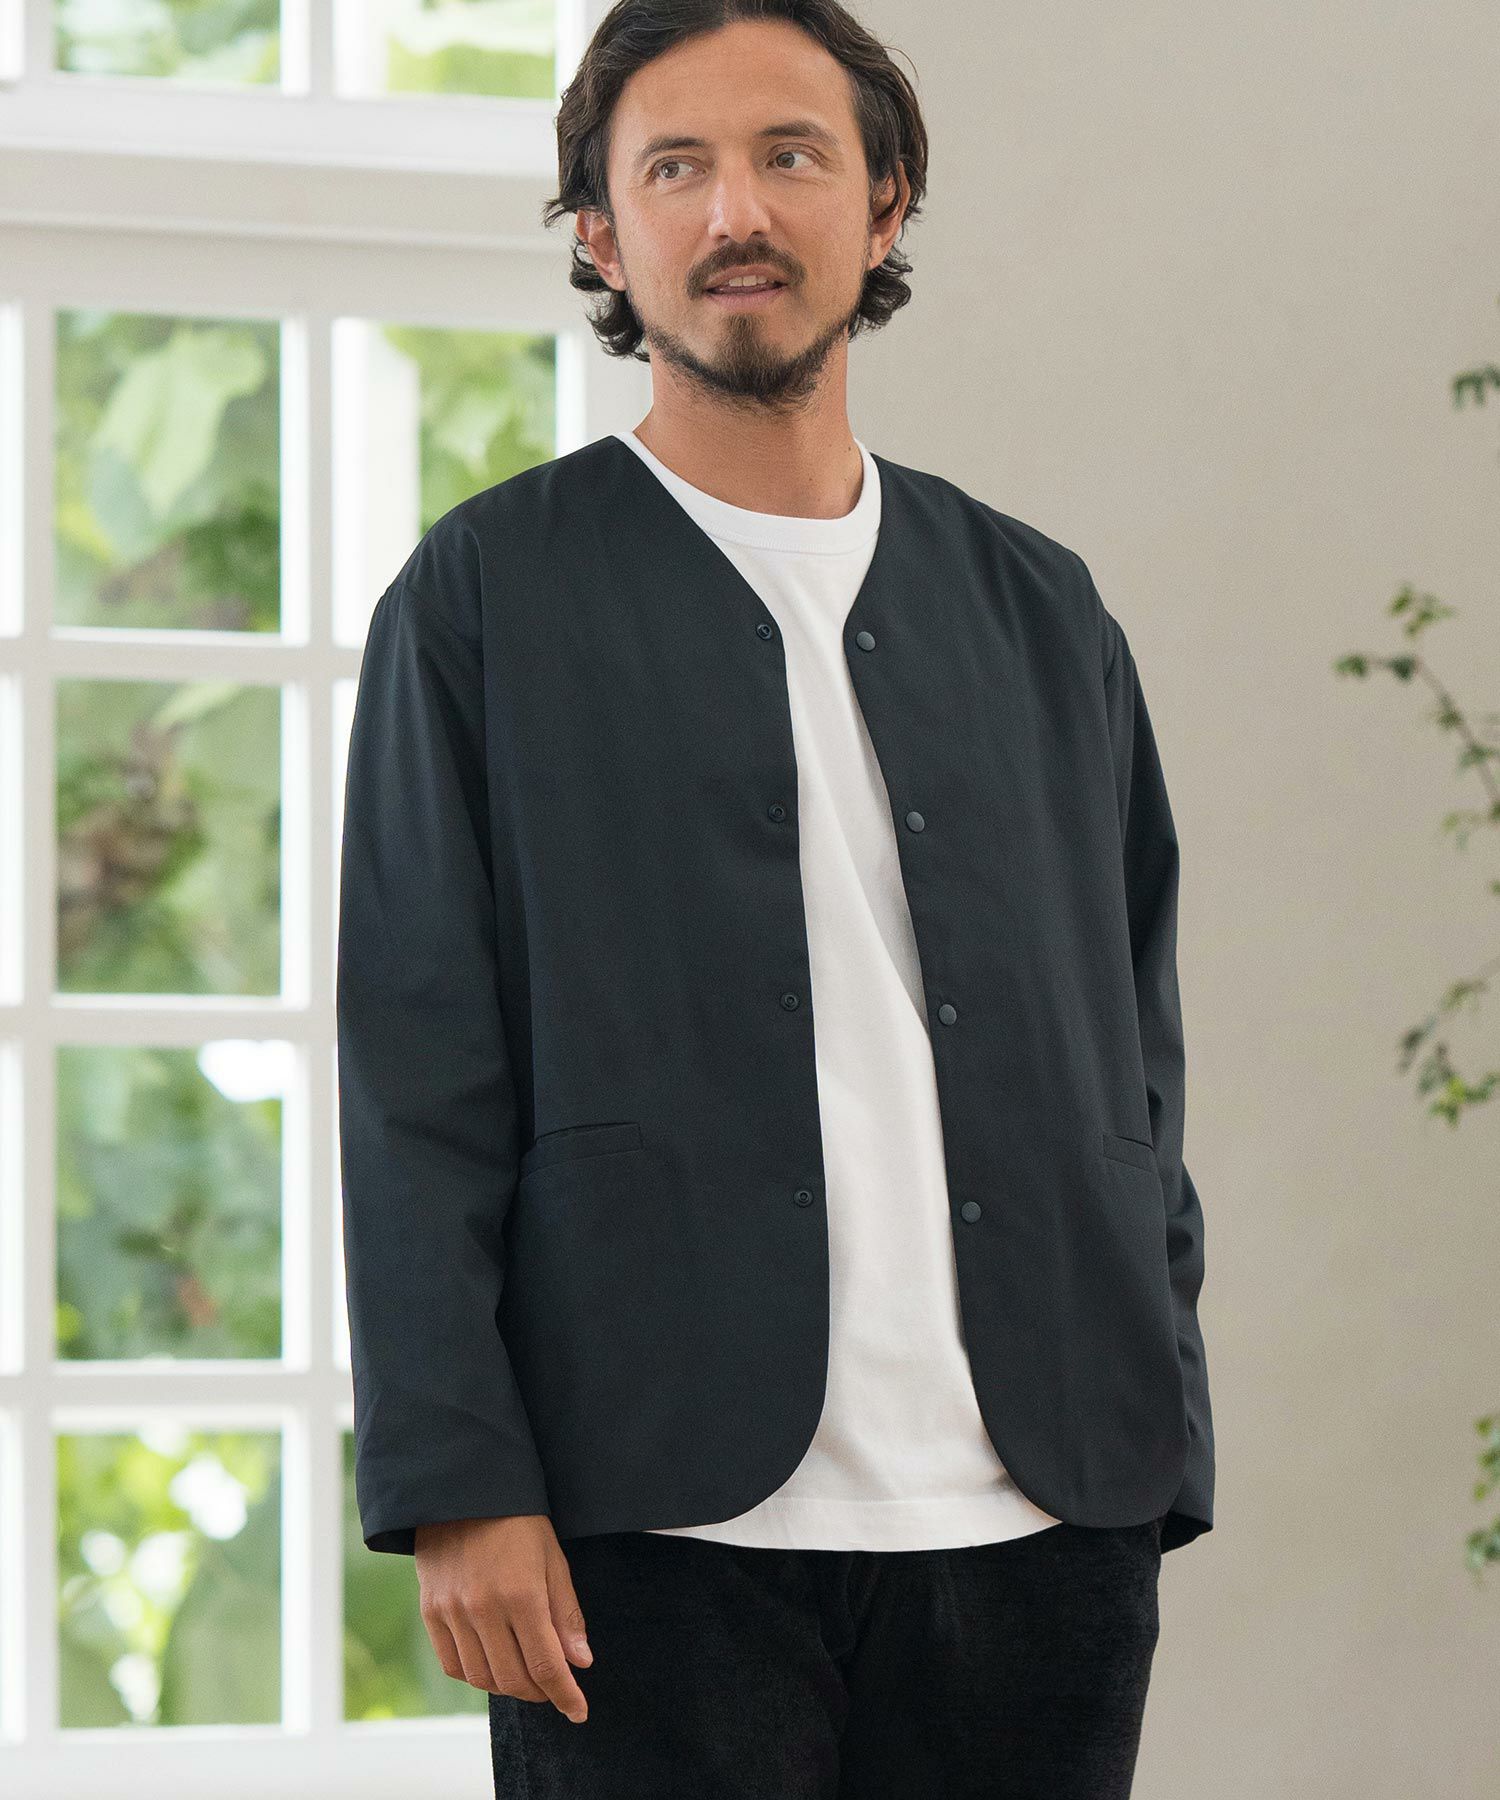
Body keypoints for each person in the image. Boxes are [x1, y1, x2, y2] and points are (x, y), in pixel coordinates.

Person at [335, 3, 1214, 1795]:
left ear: (882, 204)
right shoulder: (485, 597)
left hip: (1044, 1527)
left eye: (791, 155)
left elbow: (1135, 1049)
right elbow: (416, 1070)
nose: (737, 210)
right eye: (676, 167)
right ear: (603, 233)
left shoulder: (1043, 611)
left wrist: (1159, 1433)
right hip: (645, 1534)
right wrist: (459, 1479)